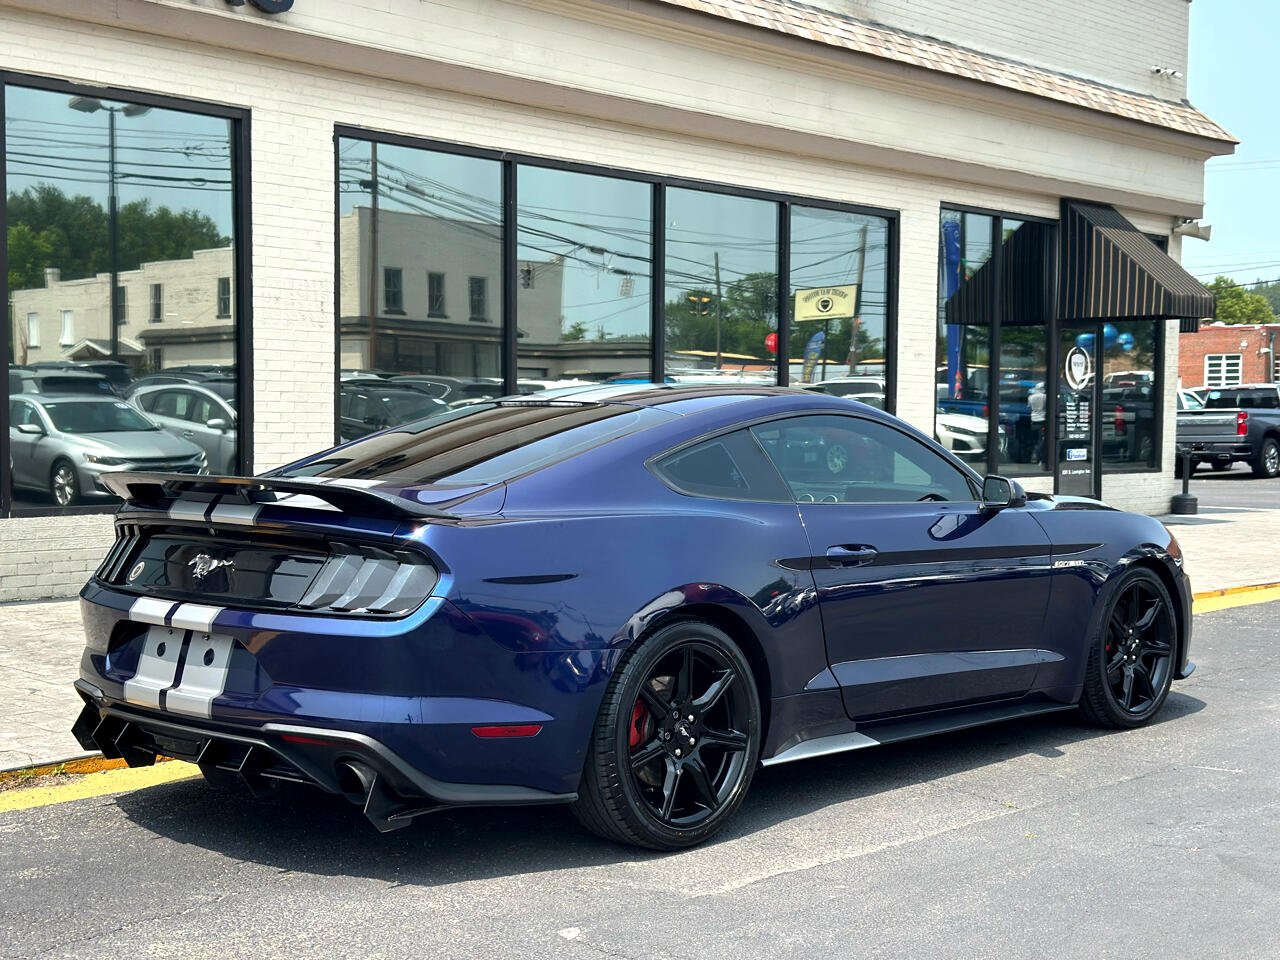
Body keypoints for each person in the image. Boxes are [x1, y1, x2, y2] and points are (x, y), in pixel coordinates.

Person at [1029, 382, 1047, 468]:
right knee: (1041, 439)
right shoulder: (1045, 397)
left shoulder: (1030, 397)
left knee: (1034, 439)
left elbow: (1029, 407)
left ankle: (1034, 454)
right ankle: (1037, 455)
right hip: (1042, 419)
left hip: (1033, 419)